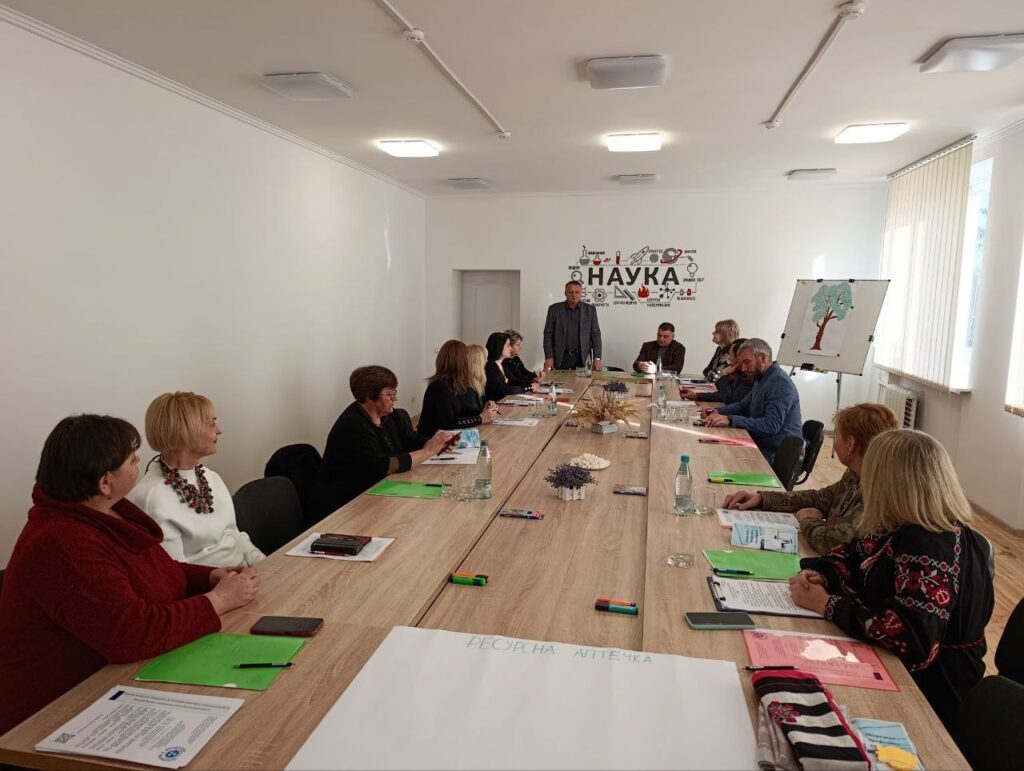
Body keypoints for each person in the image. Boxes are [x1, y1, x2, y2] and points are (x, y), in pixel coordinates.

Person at [0, 415, 259, 735]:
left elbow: (153, 570)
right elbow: (132, 634)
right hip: (52, 718)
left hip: (116, 681)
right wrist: (218, 601)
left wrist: (209, 577)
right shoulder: (63, 543)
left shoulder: (104, 512)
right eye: (133, 459)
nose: (140, 462)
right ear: (105, 483)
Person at [789, 430, 994, 728]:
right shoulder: (898, 523)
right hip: (891, 664)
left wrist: (827, 604)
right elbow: (851, 556)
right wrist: (821, 574)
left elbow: (910, 637)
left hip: (929, 692)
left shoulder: (931, 545)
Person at [724, 403, 899, 554]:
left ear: (851, 444)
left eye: (836, 435)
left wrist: (808, 520)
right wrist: (763, 498)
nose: (834, 440)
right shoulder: (857, 473)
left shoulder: (877, 489)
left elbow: (834, 543)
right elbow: (820, 498)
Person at [127, 392, 264, 567]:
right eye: (212, 424)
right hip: (214, 583)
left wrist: (266, 565)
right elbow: (175, 573)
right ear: (185, 433)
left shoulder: (210, 477)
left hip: (245, 577)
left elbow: (234, 535)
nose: (219, 430)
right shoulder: (153, 499)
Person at [308, 366, 457, 520]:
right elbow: (385, 466)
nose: (394, 399)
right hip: (346, 506)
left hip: (378, 491)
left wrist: (435, 442)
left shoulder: (390, 416)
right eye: (389, 394)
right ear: (369, 396)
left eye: (394, 392)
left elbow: (410, 439)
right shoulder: (353, 426)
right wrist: (429, 451)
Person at [702, 338, 802, 462]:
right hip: (761, 444)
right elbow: (743, 406)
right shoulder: (761, 377)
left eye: (747, 362)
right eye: (741, 364)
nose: (743, 369)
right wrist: (717, 411)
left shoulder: (779, 382)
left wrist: (730, 419)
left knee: (717, 456)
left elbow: (771, 425)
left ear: (763, 358)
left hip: (775, 454)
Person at [418, 340, 498, 438]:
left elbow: (464, 413)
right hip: (433, 442)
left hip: (449, 438)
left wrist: (483, 411)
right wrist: (480, 418)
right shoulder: (439, 388)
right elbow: (449, 423)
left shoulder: (456, 383)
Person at [543, 280, 603, 371]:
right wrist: (549, 357)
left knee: (583, 381)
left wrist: (597, 358)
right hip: (560, 358)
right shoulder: (554, 309)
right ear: (565, 293)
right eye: (571, 292)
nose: (574, 295)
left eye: (577, 292)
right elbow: (548, 335)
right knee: (559, 380)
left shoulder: (590, 310)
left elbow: (596, 335)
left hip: (583, 358)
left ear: (581, 293)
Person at [680, 338, 753, 405]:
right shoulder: (737, 372)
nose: (729, 358)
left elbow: (731, 400)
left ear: (739, 357)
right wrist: (696, 396)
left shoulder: (748, 377)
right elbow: (723, 395)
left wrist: (723, 375)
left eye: (730, 355)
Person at [485, 331, 540, 402]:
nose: (511, 348)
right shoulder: (490, 367)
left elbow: (515, 381)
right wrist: (529, 387)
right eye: (508, 345)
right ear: (499, 346)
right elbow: (504, 390)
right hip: (496, 406)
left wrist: (532, 381)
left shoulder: (502, 365)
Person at [466, 344, 489, 412]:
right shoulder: (468, 387)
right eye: (484, 358)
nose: (486, 361)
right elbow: (472, 413)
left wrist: (485, 408)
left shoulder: (475, 382)